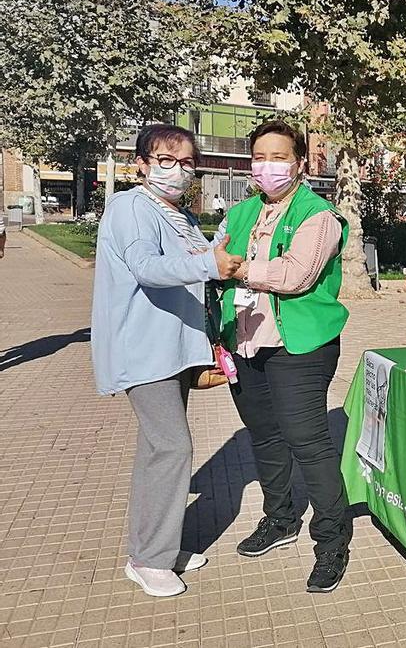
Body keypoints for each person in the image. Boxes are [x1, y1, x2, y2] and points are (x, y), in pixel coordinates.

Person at [91, 123, 243, 597]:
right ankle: (147, 560)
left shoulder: (181, 216)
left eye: (186, 162)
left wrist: (221, 257)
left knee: (156, 452)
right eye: (166, 160)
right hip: (145, 351)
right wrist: (207, 264)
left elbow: (195, 273)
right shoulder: (130, 207)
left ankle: (159, 544)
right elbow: (147, 268)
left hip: (174, 351)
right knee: (173, 449)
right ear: (142, 164)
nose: (178, 171)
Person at [215, 119, 353, 593]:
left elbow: (295, 276)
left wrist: (237, 268)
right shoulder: (239, 213)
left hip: (300, 346)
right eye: (259, 156)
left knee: (307, 442)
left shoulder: (319, 216)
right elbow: (213, 263)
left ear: (299, 163)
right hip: (247, 340)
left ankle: (332, 542)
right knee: (265, 436)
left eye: (278, 156)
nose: (267, 165)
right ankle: (280, 518)